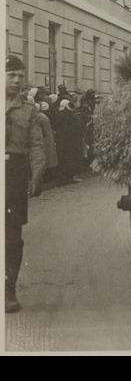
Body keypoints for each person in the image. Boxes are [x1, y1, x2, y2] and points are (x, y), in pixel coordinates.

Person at [5, 55, 47, 313]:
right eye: (11, 75)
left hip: (14, 173)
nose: (17, 80)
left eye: (21, 76)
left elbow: (37, 145)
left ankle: (8, 289)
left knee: (12, 235)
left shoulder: (29, 111)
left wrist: (37, 175)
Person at [55, 98, 83, 184]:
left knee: (62, 160)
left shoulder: (58, 115)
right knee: (70, 159)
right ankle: (70, 177)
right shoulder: (71, 116)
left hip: (61, 141)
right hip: (71, 142)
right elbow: (77, 129)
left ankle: (62, 178)